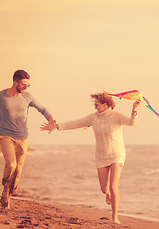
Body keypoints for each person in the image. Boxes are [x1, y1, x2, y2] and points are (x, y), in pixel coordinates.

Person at [40, 92, 140, 224]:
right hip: (101, 156)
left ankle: (115, 216)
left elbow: (131, 123)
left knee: (113, 185)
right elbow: (76, 123)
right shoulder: (93, 118)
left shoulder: (116, 116)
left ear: (105, 105)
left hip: (117, 154)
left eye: (96, 104)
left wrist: (134, 110)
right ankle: (108, 193)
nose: (94, 107)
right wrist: (57, 126)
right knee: (104, 189)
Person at [0, 69, 55, 209]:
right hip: (5, 134)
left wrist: (50, 119)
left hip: (23, 137)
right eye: (23, 85)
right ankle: (5, 189)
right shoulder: (0, 96)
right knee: (11, 164)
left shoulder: (27, 96)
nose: (26, 87)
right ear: (15, 82)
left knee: (18, 170)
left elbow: (43, 109)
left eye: (27, 85)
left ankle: (8, 197)